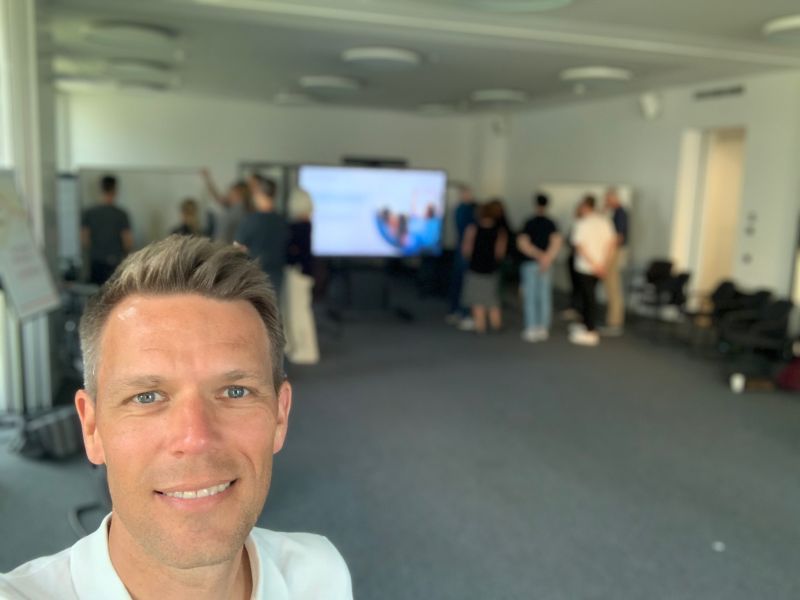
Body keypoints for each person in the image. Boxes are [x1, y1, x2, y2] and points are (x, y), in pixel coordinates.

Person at [0, 236, 352, 599]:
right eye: (147, 397)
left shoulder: (320, 576)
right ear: (92, 428)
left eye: (235, 392)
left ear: (280, 415)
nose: (195, 438)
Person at [569, 195, 616, 346]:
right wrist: (603, 264)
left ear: (585, 207)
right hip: (600, 267)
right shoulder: (605, 222)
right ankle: (585, 325)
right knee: (590, 297)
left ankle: (590, 331)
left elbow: (580, 247)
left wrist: (594, 265)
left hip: (586, 267)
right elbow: (612, 243)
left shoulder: (582, 223)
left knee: (588, 298)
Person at [517, 193, 562, 342]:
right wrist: (546, 258)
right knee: (544, 296)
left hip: (530, 263)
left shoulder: (528, 222)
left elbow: (523, 243)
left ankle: (531, 327)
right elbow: (556, 243)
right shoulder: (552, 223)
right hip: (546, 264)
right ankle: (543, 327)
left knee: (530, 296)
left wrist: (538, 255)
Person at [235, 176, 289, 298]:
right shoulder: (282, 221)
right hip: (277, 274)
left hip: (254, 273)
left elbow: (237, 248)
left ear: (259, 195)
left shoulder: (250, 220)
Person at [461, 200, 508, 334]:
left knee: (477, 299)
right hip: (491, 268)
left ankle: (480, 326)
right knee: (492, 299)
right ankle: (496, 324)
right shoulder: (500, 232)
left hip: (475, 267)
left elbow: (466, 250)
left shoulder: (472, 229)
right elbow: (500, 253)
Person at [284, 187, 319, 364]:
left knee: (299, 313)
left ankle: (305, 350)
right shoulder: (306, 225)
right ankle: (297, 347)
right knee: (298, 311)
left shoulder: (299, 227)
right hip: (303, 273)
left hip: (298, 273)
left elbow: (294, 252)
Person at [81, 174, 132, 285]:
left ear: (100, 189)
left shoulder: (89, 213)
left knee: (96, 292)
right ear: (115, 190)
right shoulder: (121, 214)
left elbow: (85, 240)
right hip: (115, 262)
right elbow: (127, 242)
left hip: (95, 262)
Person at [446, 185, 477, 327]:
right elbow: (469, 231)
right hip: (465, 250)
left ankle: (455, 311)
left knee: (458, 281)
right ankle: (464, 313)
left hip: (461, 248)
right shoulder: (467, 210)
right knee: (465, 282)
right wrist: (467, 248)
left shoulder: (458, 209)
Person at [602, 187, 629, 336]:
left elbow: (618, 237)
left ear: (614, 198)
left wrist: (608, 254)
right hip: (614, 251)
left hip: (615, 252)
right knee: (611, 286)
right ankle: (613, 320)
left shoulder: (620, 213)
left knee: (613, 287)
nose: (606, 202)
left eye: (607, 199)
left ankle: (615, 322)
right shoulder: (616, 212)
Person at [201, 168, 250, 244]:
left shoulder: (239, 211)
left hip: (227, 248)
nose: (228, 194)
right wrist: (207, 179)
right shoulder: (231, 207)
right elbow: (217, 197)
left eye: (231, 192)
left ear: (238, 194)